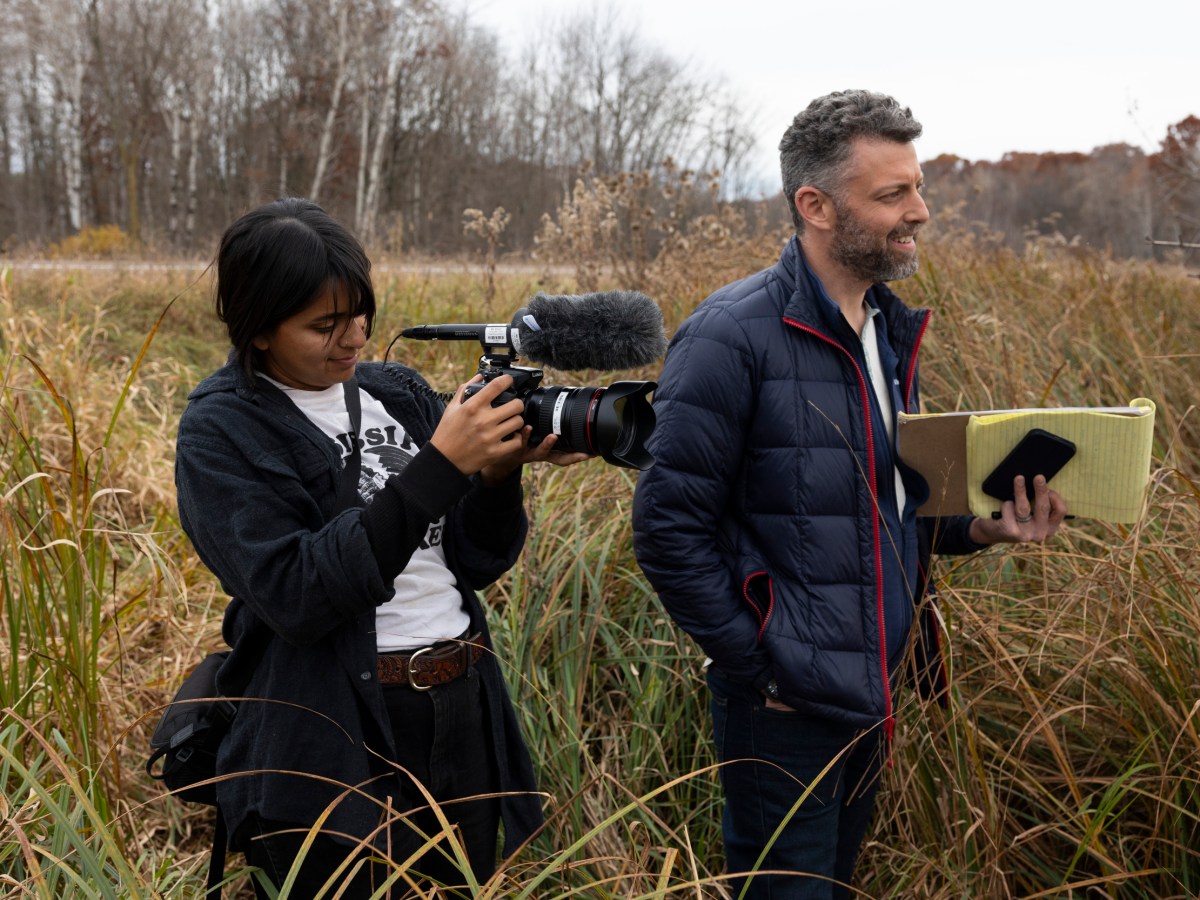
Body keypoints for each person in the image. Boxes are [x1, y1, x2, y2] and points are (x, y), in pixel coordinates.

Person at [631, 90, 1068, 898]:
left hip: (874, 687)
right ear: (816, 205)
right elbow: (666, 530)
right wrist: (762, 667)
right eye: (893, 194)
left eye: (918, 187)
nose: (922, 212)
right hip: (785, 708)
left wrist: (985, 530)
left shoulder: (884, 329)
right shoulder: (729, 335)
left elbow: (875, 513)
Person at [175, 197, 589, 898]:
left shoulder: (394, 393)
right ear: (259, 329)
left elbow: (475, 563)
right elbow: (295, 594)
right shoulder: (222, 430)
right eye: (323, 325)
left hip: (459, 701)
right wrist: (438, 469)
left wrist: (494, 475)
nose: (353, 337)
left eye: (360, 314)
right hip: (334, 735)